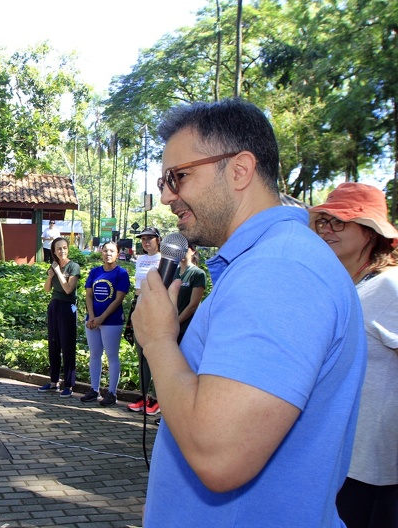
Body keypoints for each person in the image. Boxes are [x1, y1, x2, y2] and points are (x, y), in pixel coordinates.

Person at [131, 98, 366, 526]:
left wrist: (159, 340)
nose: (166, 196)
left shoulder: (281, 270)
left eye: (178, 177)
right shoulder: (270, 261)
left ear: (239, 170)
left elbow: (218, 454)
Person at [308, 182, 398, 528]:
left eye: (340, 222)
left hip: (374, 472)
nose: (327, 229)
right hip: (339, 460)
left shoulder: (388, 285)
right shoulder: (347, 285)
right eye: (323, 221)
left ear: (371, 232)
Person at [80, 241, 130, 406]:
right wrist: (92, 316)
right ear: (101, 252)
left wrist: (102, 318)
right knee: (94, 355)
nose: (108, 253)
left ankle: (112, 393)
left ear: (117, 254)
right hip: (93, 321)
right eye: (105, 250)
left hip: (112, 321)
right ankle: (94, 390)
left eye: (112, 251)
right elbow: (89, 295)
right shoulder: (95, 272)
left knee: (112, 356)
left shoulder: (121, 273)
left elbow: (118, 299)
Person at [38, 237, 81, 397]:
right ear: (54, 251)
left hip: (67, 307)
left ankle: (69, 385)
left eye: (64, 248)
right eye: (58, 249)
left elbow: (68, 289)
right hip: (54, 305)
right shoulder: (54, 265)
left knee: (67, 345)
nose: (62, 251)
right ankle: (53, 381)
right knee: (54, 344)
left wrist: (58, 272)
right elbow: (47, 290)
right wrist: (50, 276)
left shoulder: (73, 266)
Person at [126, 227, 162, 415]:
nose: (146, 241)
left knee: (156, 355)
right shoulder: (140, 260)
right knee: (141, 357)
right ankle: (143, 396)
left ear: (158, 240)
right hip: (138, 305)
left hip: (155, 306)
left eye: (150, 238)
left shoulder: (163, 259)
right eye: (143, 238)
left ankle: (157, 399)